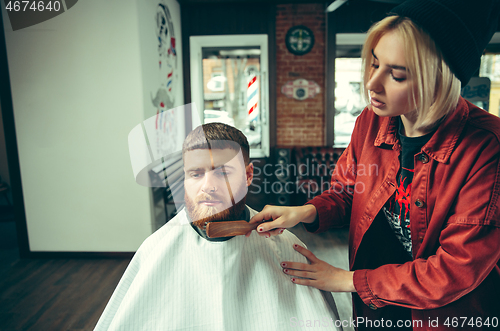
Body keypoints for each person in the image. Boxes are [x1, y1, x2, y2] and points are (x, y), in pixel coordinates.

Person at [249, 0, 500, 330]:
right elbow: (348, 192)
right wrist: (303, 212)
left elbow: (455, 269)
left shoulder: (487, 148)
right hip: (377, 309)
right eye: (374, 63)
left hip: (444, 317)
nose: (372, 83)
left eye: (396, 74)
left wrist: (346, 280)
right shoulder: (371, 120)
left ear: (437, 80)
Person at [94, 123, 341, 331]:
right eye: (195, 174)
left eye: (223, 172)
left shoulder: (285, 246)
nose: (208, 186)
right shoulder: (156, 249)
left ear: (248, 175)